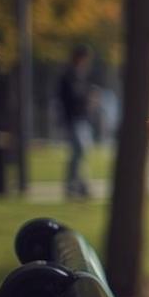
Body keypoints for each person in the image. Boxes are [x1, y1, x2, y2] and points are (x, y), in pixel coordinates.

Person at [58, 44, 94, 199]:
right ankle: (74, 185)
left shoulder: (81, 75)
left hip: (82, 118)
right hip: (73, 118)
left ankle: (80, 184)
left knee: (81, 152)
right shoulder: (68, 75)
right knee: (78, 150)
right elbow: (70, 98)